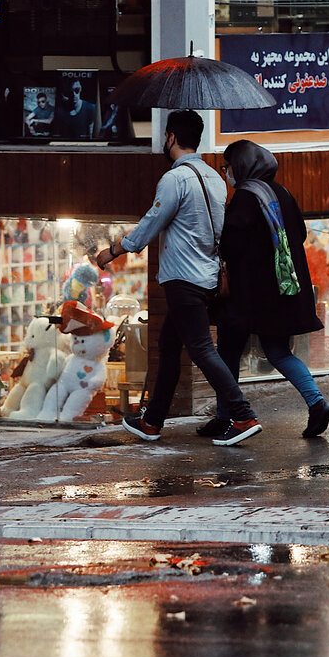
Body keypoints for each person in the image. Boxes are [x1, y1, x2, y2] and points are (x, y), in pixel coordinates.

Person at [94, 109, 262, 446]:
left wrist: (114, 250)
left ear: (171, 137)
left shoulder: (175, 179)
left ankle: (243, 415)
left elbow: (152, 221)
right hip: (206, 277)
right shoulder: (215, 178)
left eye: (165, 136)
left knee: (201, 349)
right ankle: (152, 421)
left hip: (184, 278)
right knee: (169, 345)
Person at [208, 140, 329, 439]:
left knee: (228, 351)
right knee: (278, 351)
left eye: (228, 167)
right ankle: (317, 403)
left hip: (249, 294)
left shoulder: (246, 196)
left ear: (241, 166)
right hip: (283, 290)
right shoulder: (282, 192)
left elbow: (231, 244)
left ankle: (226, 417)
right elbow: (300, 233)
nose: (227, 173)